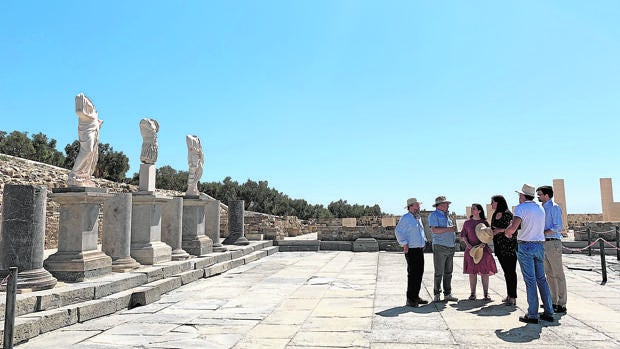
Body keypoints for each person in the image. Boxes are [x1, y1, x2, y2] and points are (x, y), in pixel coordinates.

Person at [505, 184, 554, 324]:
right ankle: (549, 311)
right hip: (539, 245)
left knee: (530, 281)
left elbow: (513, 228)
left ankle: (532, 314)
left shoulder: (520, 208)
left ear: (522, 195)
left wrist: (507, 232)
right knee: (541, 279)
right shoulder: (540, 208)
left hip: (525, 245)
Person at [537, 185, 567, 314]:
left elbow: (558, 226)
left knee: (558, 274)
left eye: (540, 194)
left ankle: (562, 303)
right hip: (543, 243)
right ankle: (552, 301)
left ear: (547, 196)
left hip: (553, 243)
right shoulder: (541, 208)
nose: (538, 196)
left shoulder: (554, 207)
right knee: (549, 274)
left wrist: (542, 233)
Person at [394, 198, 428, 307]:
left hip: (419, 249)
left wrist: (424, 242)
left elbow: (421, 231)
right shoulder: (406, 218)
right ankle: (410, 299)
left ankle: (416, 296)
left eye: (418, 205)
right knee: (412, 274)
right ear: (410, 206)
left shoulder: (417, 218)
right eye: (417, 205)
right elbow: (398, 231)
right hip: (411, 249)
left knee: (419, 273)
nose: (419, 207)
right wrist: (404, 243)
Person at [461, 204, 497, 301]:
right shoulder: (467, 222)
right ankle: (473, 293)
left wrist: (483, 244)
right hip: (471, 250)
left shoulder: (484, 222)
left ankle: (486, 294)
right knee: (472, 272)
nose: (472, 210)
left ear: (479, 211)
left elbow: (489, 235)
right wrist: (468, 245)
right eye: (472, 209)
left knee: (485, 272)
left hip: (483, 249)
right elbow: (463, 235)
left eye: (474, 209)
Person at [68, 93, 103, 187]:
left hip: (92, 130)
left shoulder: (94, 110)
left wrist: (97, 123)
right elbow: (79, 112)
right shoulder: (81, 97)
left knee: (91, 153)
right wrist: (90, 117)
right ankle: (74, 174)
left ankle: (83, 175)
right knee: (87, 150)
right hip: (86, 128)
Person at [489, 195, 518, 306]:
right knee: (506, 272)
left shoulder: (508, 214)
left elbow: (513, 230)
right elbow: (493, 228)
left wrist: (499, 230)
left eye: (493, 202)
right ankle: (509, 295)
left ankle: (513, 296)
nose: (491, 204)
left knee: (511, 272)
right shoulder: (495, 214)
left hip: (509, 247)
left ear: (498, 202)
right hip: (499, 247)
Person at [428, 196, 458, 302]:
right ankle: (437, 294)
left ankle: (447, 294)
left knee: (448, 272)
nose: (448, 205)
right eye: (446, 204)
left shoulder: (447, 216)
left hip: (450, 246)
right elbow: (435, 230)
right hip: (440, 246)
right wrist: (449, 229)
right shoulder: (433, 215)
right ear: (440, 205)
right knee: (439, 272)